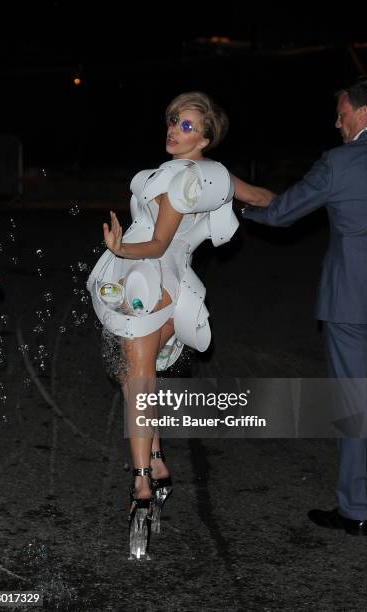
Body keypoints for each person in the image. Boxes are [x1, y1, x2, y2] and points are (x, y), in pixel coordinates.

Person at [87, 91, 273, 558]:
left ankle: (142, 485)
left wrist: (121, 248)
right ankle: (154, 462)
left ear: (206, 137)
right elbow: (264, 197)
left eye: (188, 126)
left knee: (138, 380)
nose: (174, 129)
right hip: (167, 281)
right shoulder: (216, 177)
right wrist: (314, 202)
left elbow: (157, 243)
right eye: (173, 121)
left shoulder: (183, 180)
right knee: (133, 376)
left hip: (153, 280)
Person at [243, 76, 367, 536]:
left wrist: (240, 210)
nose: (336, 123)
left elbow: (282, 213)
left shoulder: (339, 163)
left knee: (357, 405)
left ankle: (355, 509)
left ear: (362, 113)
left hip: (351, 302)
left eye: (341, 114)